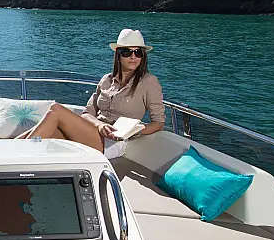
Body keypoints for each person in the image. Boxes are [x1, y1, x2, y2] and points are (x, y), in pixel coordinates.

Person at [17, 29, 165, 159]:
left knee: (55, 110)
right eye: (127, 52)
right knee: (42, 135)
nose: (133, 57)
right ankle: (10, 154)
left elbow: (158, 122)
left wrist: (134, 132)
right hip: (94, 132)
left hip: (114, 143)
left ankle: (16, 158)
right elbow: (87, 113)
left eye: (138, 52)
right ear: (118, 55)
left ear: (142, 56)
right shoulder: (106, 80)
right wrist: (100, 125)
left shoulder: (149, 82)